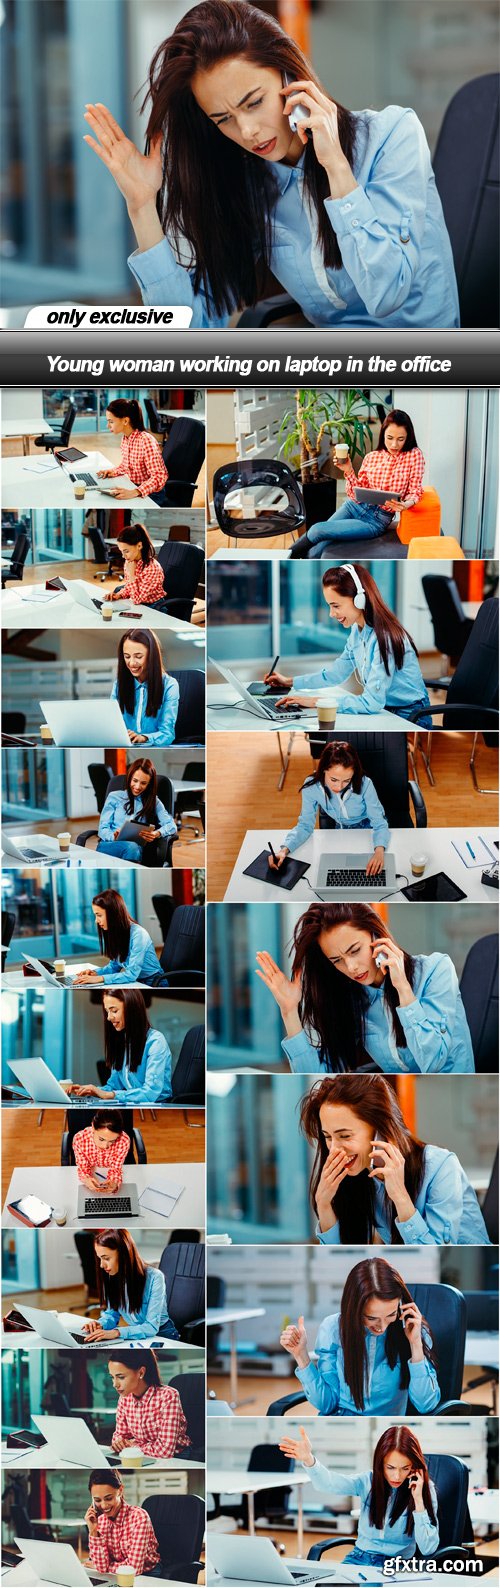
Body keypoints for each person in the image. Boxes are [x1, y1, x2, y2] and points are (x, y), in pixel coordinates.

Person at [83, 2, 459, 330]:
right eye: (223, 119)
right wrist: (142, 207)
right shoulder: (251, 183)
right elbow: (190, 333)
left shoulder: (392, 136)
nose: (247, 131)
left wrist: (336, 169)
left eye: (253, 102)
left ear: (290, 74)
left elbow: (387, 293)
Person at [255, 901, 475, 1075]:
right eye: (336, 960)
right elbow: (319, 1075)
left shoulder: (436, 970)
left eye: (354, 950)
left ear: (375, 934)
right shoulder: (352, 998)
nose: (351, 967)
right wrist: (289, 1011)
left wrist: (403, 990)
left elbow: (433, 1064)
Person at [300, 1073, 490, 1244]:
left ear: (380, 1132)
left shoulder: (441, 1166)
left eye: (345, 1136)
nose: (333, 1149)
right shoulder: (360, 1175)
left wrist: (400, 1197)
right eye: (327, 1137)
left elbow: (433, 1254)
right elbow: (342, 1258)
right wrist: (324, 1206)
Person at [264, 564, 432, 726]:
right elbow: (335, 674)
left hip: (410, 715)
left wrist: (316, 702)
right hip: (386, 709)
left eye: (336, 606)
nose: (331, 614)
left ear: (359, 599)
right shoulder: (357, 631)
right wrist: (289, 682)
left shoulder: (384, 639)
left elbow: (371, 703)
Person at [280, 1255, 439, 1415]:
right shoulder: (332, 1329)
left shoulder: (414, 1329)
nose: (382, 1327)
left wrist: (416, 1344)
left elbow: (425, 1405)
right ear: (354, 1309)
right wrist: (301, 1355)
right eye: (371, 1318)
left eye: (391, 1314)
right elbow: (326, 1404)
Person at [278, 1425, 439, 1568]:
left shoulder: (423, 1489)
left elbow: (428, 1548)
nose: (396, 1476)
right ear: (380, 1463)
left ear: (414, 1467)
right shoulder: (367, 1481)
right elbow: (329, 1483)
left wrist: (418, 1501)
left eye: (405, 1468)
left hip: (396, 1565)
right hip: (359, 1558)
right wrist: (308, 1459)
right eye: (390, 1467)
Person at [291, 410, 425, 557]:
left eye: (401, 439)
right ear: (383, 434)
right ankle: (296, 559)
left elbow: (415, 489)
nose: (394, 444)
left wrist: (407, 503)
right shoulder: (372, 457)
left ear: (408, 437)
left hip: (376, 520)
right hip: (353, 506)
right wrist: (348, 469)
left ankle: (286, 555)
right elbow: (356, 494)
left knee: (317, 530)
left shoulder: (414, 455)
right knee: (322, 542)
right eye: (390, 437)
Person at [268, 741, 389, 877]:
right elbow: (305, 826)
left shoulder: (365, 784)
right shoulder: (311, 787)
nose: (339, 787)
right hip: (340, 831)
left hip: (368, 829)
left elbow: (379, 823)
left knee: (373, 873)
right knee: (340, 873)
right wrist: (284, 850)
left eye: (346, 781)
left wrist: (379, 852)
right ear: (323, 770)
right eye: (333, 779)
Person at [67, 988, 173, 1105]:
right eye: (107, 1011)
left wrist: (110, 1095)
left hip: (159, 1106)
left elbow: (150, 1093)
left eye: (114, 1011)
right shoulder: (122, 1041)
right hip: (133, 1105)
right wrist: (93, 1090)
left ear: (131, 1010)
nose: (109, 1017)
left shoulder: (155, 1041)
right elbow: (114, 1086)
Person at [81, 1229, 179, 1343]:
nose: (102, 1265)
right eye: (100, 1259)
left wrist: (117, 1332)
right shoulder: (111, 1276)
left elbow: (151, 1327)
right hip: (137, 1336)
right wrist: (100, 1325)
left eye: (106, 1258)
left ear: (123, 1254)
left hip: (162, 1335)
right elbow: (111, 1315)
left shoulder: (155, 1277)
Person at [72, 888, 168, 987]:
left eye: (99, 915)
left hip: (154, 983)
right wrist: (95, 973)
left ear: (113, 914)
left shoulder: (139, 934)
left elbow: (131, 974)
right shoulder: (116, 933)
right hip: (137, 982)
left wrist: (99, 979)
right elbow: (113, 967)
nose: (96, 921)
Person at [108, 1349, 190, 1458]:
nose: (115, 1384)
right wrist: (119, 1444)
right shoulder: (124, 1398)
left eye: (121, 1377)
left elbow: (164, 1451)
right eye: (112, 1377)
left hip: (177, 1457)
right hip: (143, 1455)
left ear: (141, 1372)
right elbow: (119, 1437)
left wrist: (132, 1446)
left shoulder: (168, 1396)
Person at [96, 757, 177, 866]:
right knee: (132, 847)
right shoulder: (114, 797)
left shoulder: (154, 801)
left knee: (133, 847)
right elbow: (102, 829)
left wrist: (157, 833)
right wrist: (113, 836)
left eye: (143, 783)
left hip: (135, 850)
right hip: (109, 845)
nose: (137, 787)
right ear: (130, 778)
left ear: (149, 784)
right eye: (135, 781)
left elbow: (171, 825)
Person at [85, 1469, 162, 1577]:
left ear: (120, 1490)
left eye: (109, 1498)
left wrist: (108, 1566)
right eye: (97, 1500)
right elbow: (101, 1567)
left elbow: (133, 1569)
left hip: (147, 1573)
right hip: (115, 1574)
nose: (103, 1506)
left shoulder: (139, 1517)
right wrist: (93, 1531)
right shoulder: (100, 1521)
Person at [111, 628, 179, 747]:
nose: (131, 663)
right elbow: (110, 725)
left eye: (138, 656)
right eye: (127, 656)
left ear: (151, 656)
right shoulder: (118, 685)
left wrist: (143, 738)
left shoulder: (169, 685)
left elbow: (167, 734)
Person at [96, 399, 168, 504]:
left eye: (111, 421)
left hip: (152, 494)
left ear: (125, 421)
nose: (108, 426)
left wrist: (135, 492)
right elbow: (127, 465)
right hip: (134, 486)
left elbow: (159, 476)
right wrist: (113, 471)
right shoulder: (125, 438)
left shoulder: (146, 440)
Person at [109, 522, 167, 609]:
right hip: (138, 605)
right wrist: (118, 595)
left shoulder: (152, 568)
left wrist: (132, 575)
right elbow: (130, 587)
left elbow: (138, 599)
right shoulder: (130, 562)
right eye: (121, 551)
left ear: (139, 546)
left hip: (154, 608)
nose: (123, 556)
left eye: (126, 551)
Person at [73, 1111, 131, 1194]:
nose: (105, 1146)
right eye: (101, 1139)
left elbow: (116, 1168)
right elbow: (83, 1168)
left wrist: (114, 1183)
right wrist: (86, 1179)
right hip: (93, 1171)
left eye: (112, 1141)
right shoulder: (80, 1139)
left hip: (108, 1170)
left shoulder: (123, 1140)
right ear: (93, 1126)